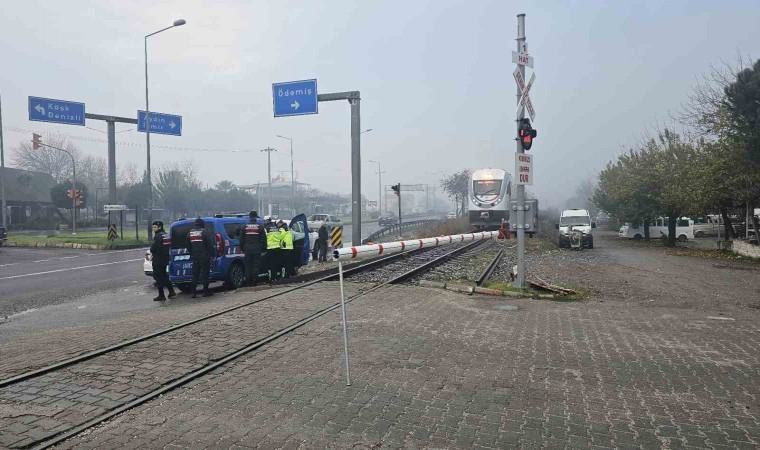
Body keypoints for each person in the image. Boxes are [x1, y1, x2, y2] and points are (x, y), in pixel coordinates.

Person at [186, 218, 215, 298]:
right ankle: (205, 291)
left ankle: (193, 292)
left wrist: (192, 253)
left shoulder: (190, 233)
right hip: (204, 256)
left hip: (195, 256)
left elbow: (188, 245)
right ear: (202, 224)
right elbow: (209, 244)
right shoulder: (204, 232)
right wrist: (212, 254)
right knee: (205, 274)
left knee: (195, 274)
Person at [237, 210, 266, 287]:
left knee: (248, 266)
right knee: (255, 265)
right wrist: (263, 249)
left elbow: (241, 239)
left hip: (247, 249)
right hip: (257, 249)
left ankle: (248, 282)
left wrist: (242, 248)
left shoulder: (244, 226)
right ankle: (254, 281)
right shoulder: (260, 227)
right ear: (256, 217)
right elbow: (264, 239)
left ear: (249, 216)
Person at [150, 220, 176, 301]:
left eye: (155, 227)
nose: (153, 229)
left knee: (158, 277)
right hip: (165, 258)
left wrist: (152, 250)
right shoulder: (166, 235)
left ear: (159, 227)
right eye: (153, 227)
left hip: (158, 259)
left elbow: (154, 248)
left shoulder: (158, 236)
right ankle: (171, 291)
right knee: (164, 276)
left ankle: (161, 295)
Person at [264, 216, 282, 281]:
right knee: (276, 263)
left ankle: (271, 278)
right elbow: (280, 237)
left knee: (270, 264)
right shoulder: (276, 227)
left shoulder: (266, 228)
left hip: (270, 248)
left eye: (265, 221)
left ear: (267, 221)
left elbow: (264, 238)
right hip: (277, 247)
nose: (264, 222)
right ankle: (276, 277)